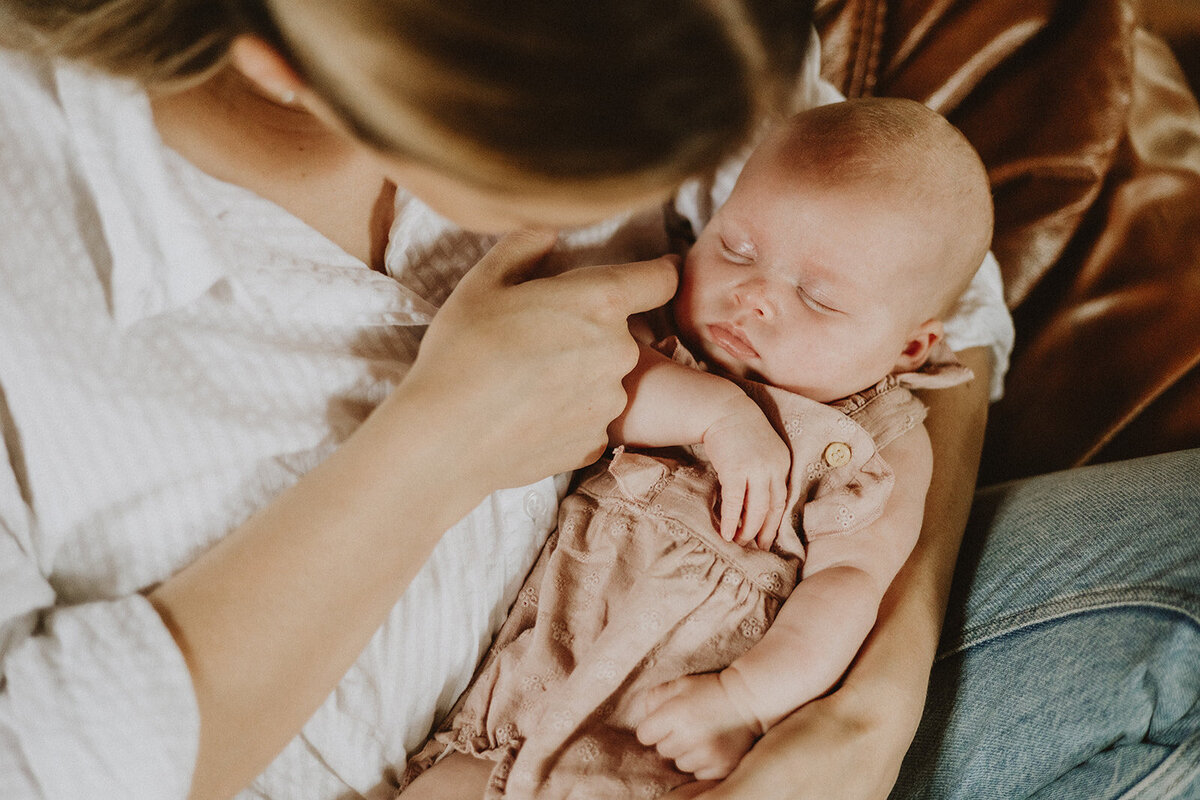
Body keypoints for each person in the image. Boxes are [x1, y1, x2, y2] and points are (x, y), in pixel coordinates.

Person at [0, 2, 1194, 800]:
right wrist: (434, 444)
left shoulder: (653, 27)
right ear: (283, 67)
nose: (689, 219)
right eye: (578, 184)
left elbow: (930, 287)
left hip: (730, 697)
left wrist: (877, 687)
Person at [398, 96, 994, 799]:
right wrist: (717, 414)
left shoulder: (879, 443)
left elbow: (848, 588)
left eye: (820, 298)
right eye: (735, 249)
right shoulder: (668, 339)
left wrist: (744, 699)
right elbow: (597, 392)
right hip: (519, 705)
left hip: (671, 746)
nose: (755, 296)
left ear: (910, 345)